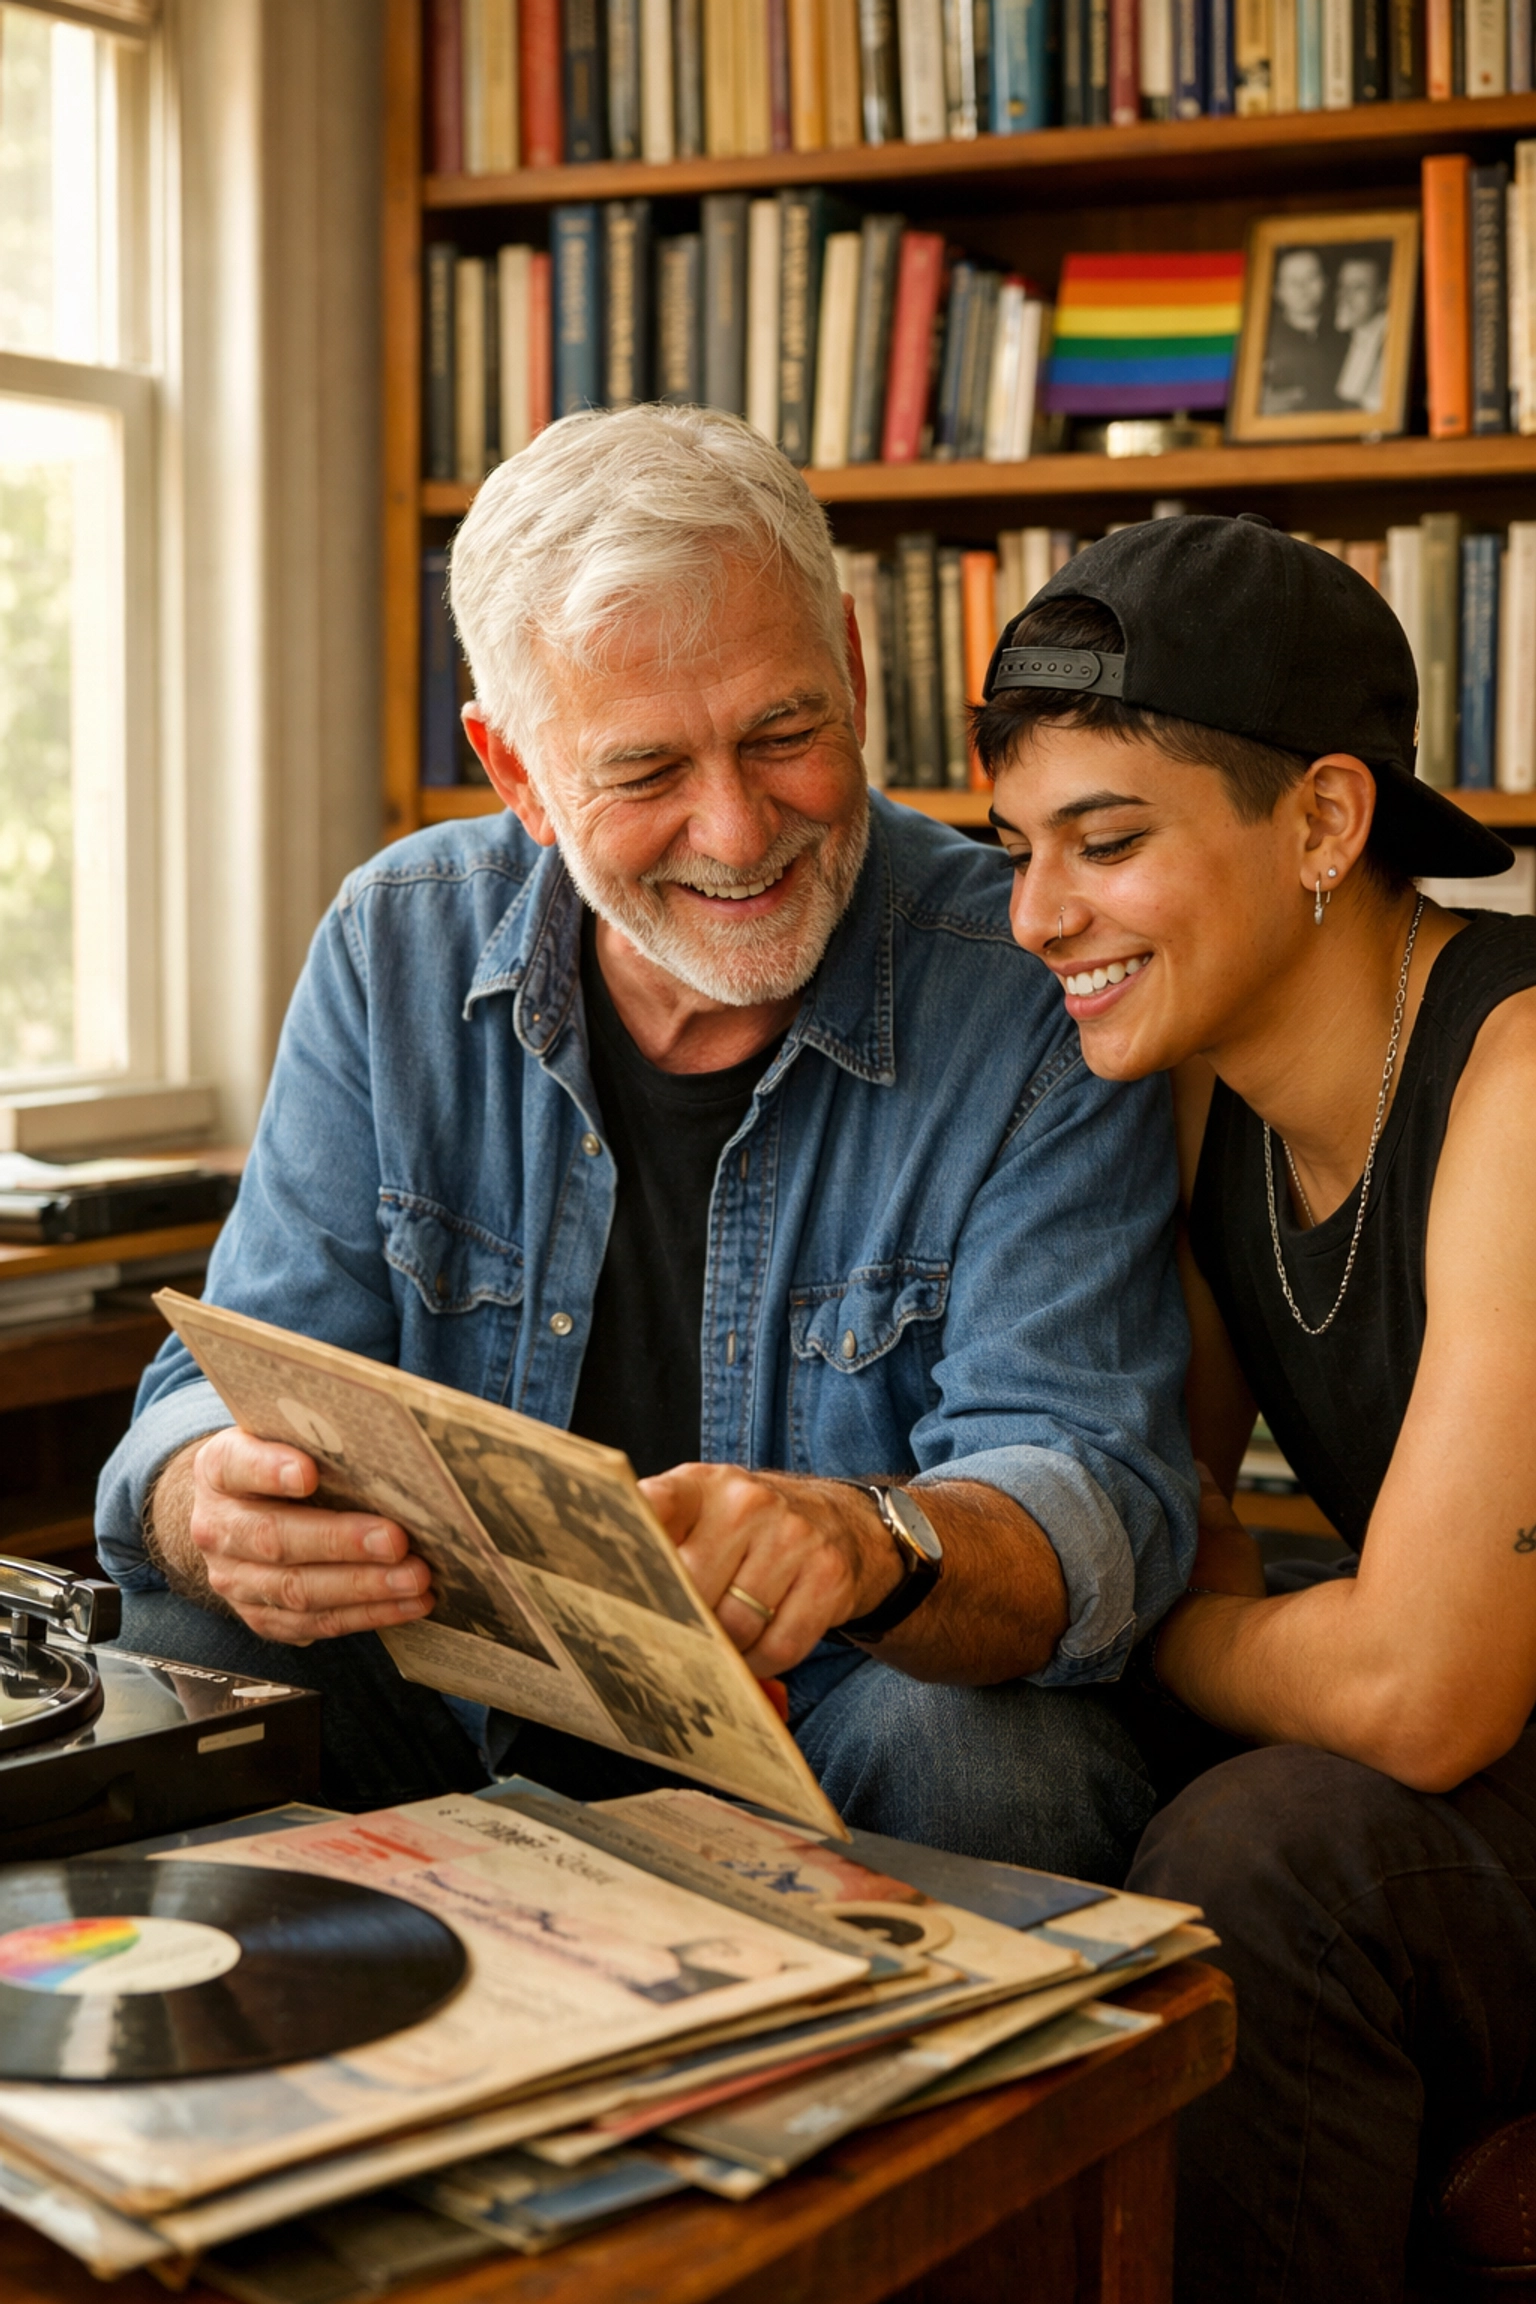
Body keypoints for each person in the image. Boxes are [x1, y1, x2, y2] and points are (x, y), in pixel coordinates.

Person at [95, 406, 1197, 1878]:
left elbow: (1090, 1489)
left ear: (856, 673)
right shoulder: (396, 941)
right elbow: (209, 1388)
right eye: (644, 773)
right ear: (517, 773)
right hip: (449, 1715)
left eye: (784, 734)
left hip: (836, 1733)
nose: (738, 832)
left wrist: (877, 1542)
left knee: (994, 1755)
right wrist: (209, 1498)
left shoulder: (1029, 979)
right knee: (171, 1646)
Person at [974, 510, 1536, 2304]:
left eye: (1106, 840)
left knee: (1260, 1845)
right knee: (1003, 1763)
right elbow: (1165, 1508)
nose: (1035, 914)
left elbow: (1416, 1689)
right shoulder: (1202, 1103)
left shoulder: (1520, 1086)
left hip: (1488, 1760)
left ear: (1322, 819)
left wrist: (1194, 1629)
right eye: (1016, 847)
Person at [1260, 247, 1346, 415]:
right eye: (1292, 281)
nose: (1302, 287)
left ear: (1326, 282)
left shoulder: (1346, 330)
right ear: (1277, 290)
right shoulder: (1262, 335)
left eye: (1311, 277)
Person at [1333, 250, 1390, 412]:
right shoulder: (1347, 339)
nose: (1344, 296)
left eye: (1358, 288)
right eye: (1342, 286)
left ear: (1382, 294)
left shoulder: (1392, 342)